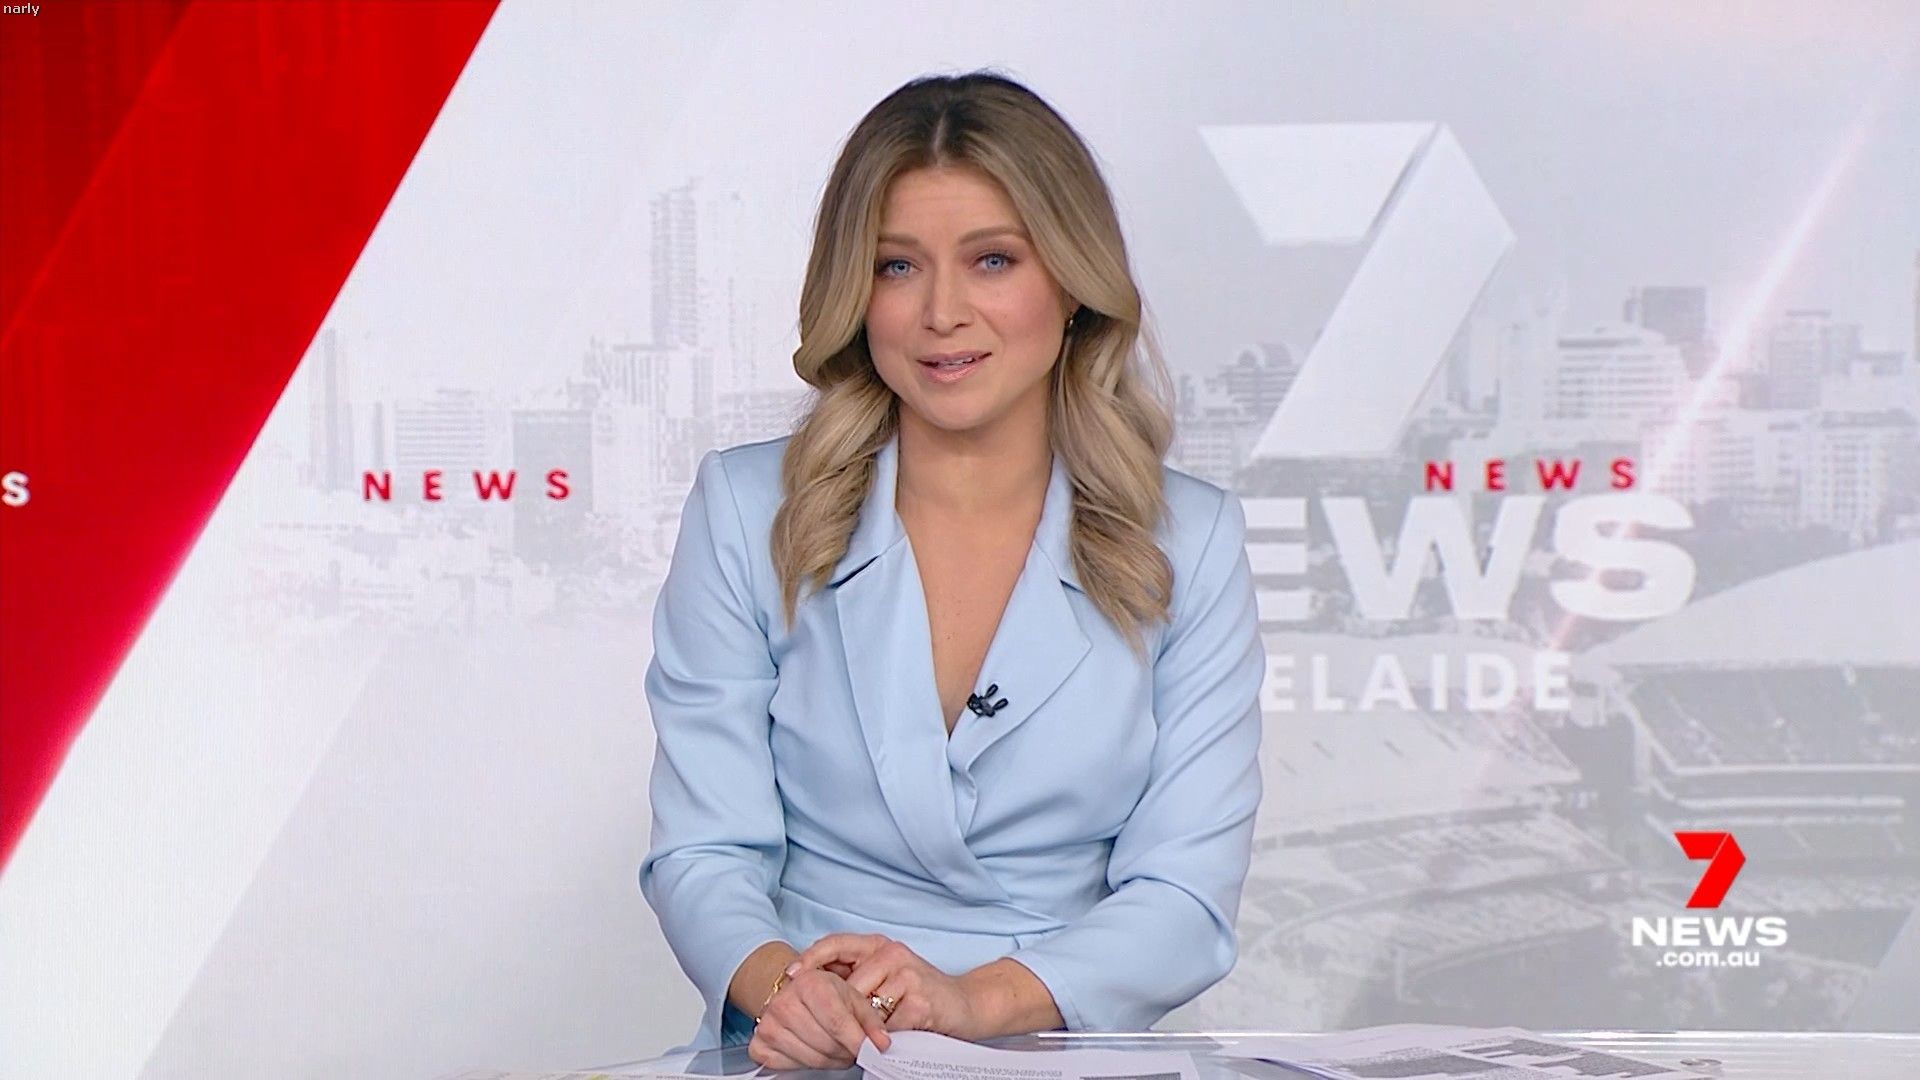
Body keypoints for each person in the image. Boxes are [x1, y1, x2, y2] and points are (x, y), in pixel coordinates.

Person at [639, 70, 1264, 1069]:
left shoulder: (1191, 539)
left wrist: (972, 1002)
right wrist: (791, 992)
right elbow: (703, 850)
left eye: (992, 261)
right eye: (897, 266)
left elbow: (1185, 897)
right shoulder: (746, 509)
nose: (941, 312)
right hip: (805, 1039)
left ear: (1072, 282)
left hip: (1054, 1042)